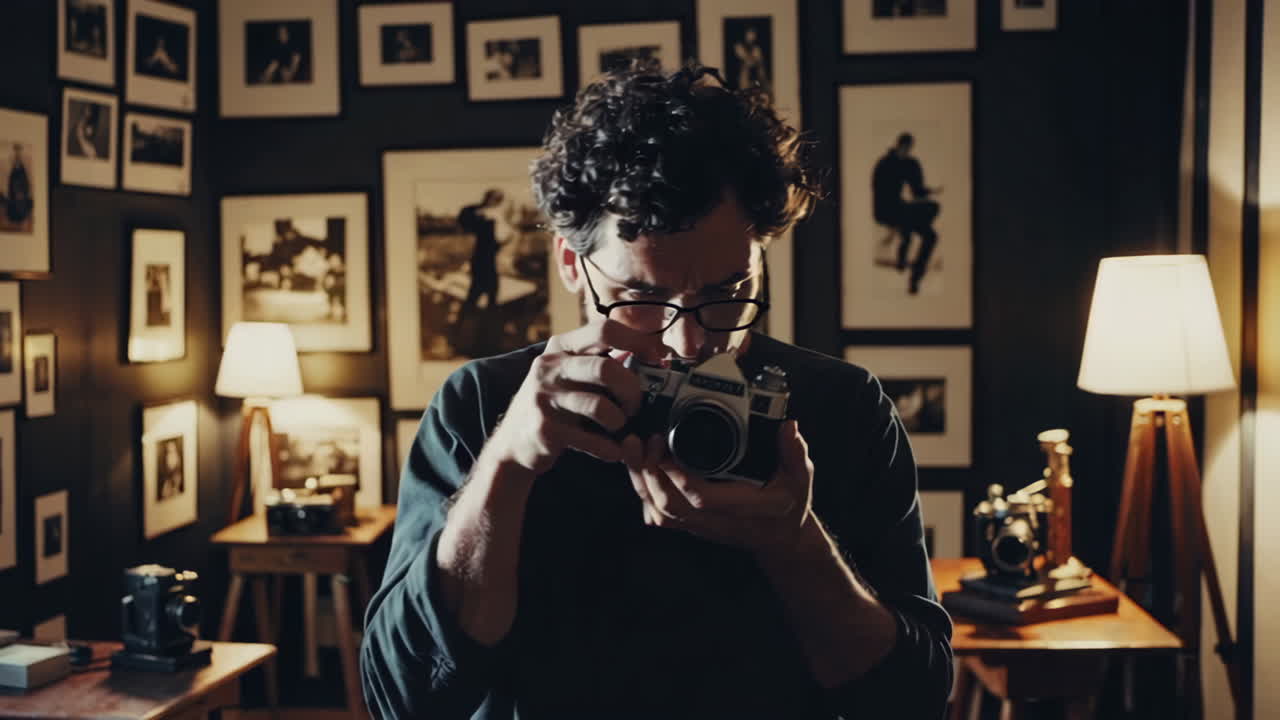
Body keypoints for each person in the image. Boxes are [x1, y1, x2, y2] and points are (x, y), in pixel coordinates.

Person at [361, 59, 953, 719]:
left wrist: (793, 541)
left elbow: (913, 700)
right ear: (569, 263)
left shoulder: (843, 409)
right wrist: (505, 467)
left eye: (729, 293)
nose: (690, 346)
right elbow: (403, 699)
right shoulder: (480, 405)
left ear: (759, 255)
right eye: (642, 298)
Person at [872, 132, 943, 294]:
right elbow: (879, 197)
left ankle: (914, 277)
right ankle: (902, 258)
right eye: (904, 148)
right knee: (911, 225)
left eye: (908, 149)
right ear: (898, 146)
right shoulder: (884, 164)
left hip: (904, 211)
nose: (906, 151)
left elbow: (917, 190)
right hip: (887, 210)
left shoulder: (911, 163)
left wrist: (931, 191)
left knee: (931, 233)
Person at [455, 189, 507, 326]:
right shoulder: (475, 212)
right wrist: (481, 215)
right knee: (475, 296)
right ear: (488, 198)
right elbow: (464, 221)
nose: (496, 204)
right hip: (480, 262)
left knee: (490, 297)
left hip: (488, 261)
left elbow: (495, 242)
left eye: (499, 201)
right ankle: (462, 326)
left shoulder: (494, 217)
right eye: (496, 200)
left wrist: (502, 242)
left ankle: (485, 328)